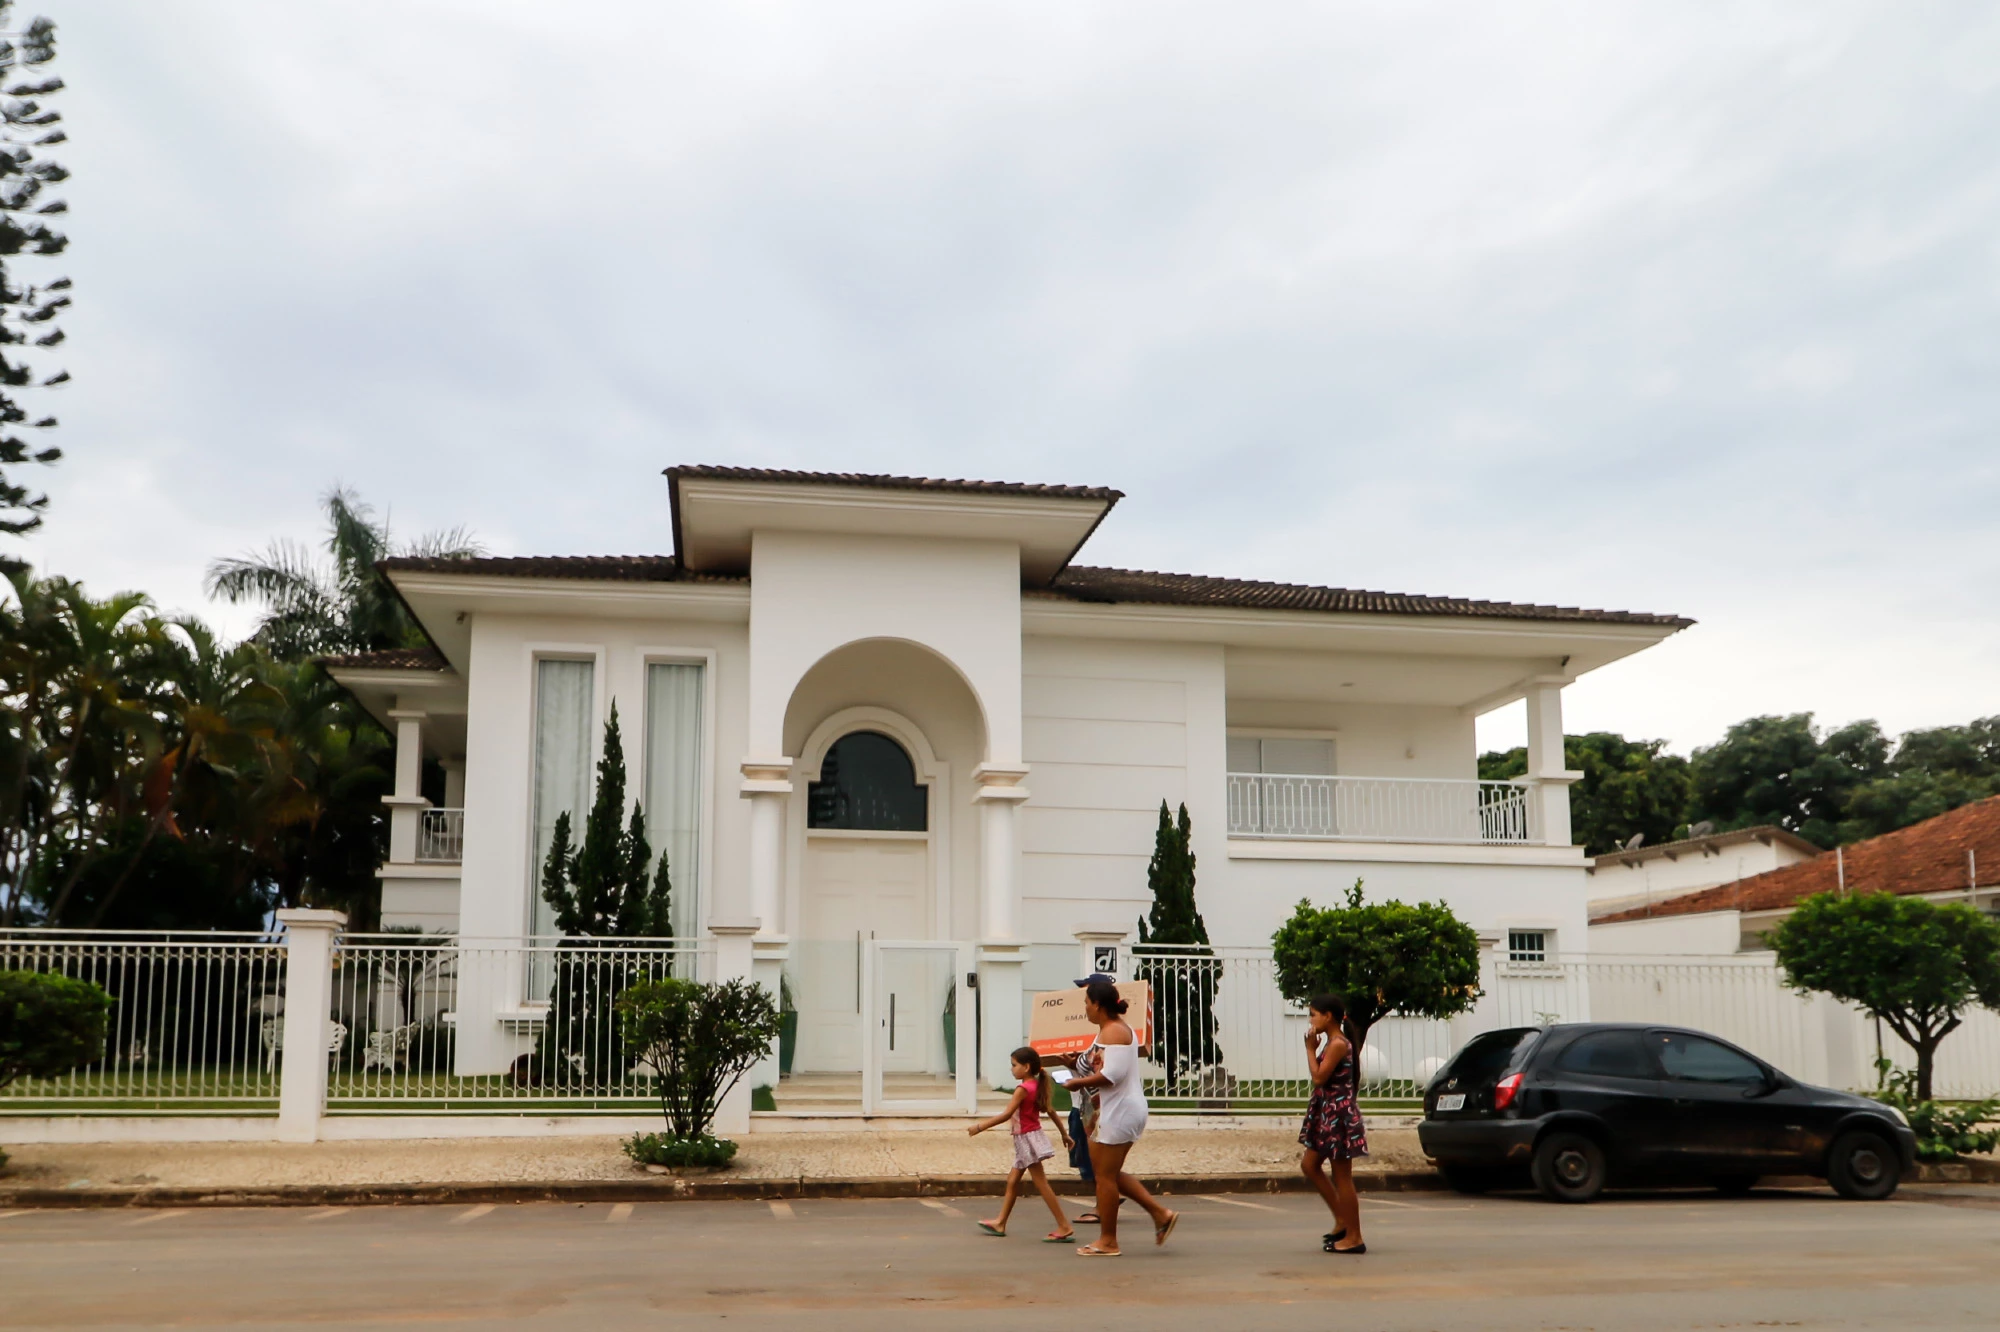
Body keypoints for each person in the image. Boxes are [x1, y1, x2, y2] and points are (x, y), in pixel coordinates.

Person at [1059, 977, 1178, 1257]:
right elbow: (1099, 1063)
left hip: (1118, 1112)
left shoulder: (1114, 1032)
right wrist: (1074, 1064)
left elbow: (1112, 1075)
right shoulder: (1107, 1031)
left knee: (1104, 1177)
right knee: (1110, 1174)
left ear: (1098, 1005)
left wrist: (1075, 1083)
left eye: (1087, 1003)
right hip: (1111, 1111)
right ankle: (1160, 1214)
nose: (1085, 1008)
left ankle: (1109, 1241)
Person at [967, 1047, 1076, 1242]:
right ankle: (1000, 1222)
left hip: (1027, 1138)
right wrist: (1064, 1135)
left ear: (1026, 1067)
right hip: (1027, 1138)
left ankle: (1064, 1225)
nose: (1011, 1069)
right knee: (1012, 1180)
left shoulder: (1023, 1089)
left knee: (1041, 1182)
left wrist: (980, 1126)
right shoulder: (1036, 1086)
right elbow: (1050, 1111)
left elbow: (1007, 1114)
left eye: (1014, 1065)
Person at [1300, 993, 1368, 1254]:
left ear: (1328, 1016)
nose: (1311, 1019)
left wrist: (1309, 1050)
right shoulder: (1332, 1042)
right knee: (1310, 1164)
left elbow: (1319, 1078)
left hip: (1339, 1115)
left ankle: (1354, 1237)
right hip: (1327, 1112)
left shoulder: (1339, 1043)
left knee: (1343, 1177)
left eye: (1313, 1014)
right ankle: (1342, 1220)